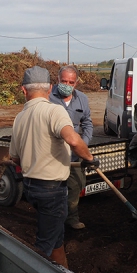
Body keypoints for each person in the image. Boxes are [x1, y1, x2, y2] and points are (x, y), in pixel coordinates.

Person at [8, 66, 97, 268]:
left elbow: (15, 159)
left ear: (23, 90)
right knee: (43, 248)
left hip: (31, 187)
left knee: (56, 240)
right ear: (50, 89)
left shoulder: (19, 118)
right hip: (51, 190)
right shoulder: (54, 110)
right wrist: (89, 158)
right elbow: (73, 140)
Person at [48, 65, 93, 230]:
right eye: (64, 81)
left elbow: (87, 123)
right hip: (53, 153)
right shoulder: (48, 97)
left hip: (74, 154)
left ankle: (72, 218)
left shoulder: (82, 99)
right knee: (53, 190)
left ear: (77, 83)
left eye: (71, 82)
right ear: (58, 80)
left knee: (75, 187)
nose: (67, 84)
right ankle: (54, 220)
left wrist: (84, 144)